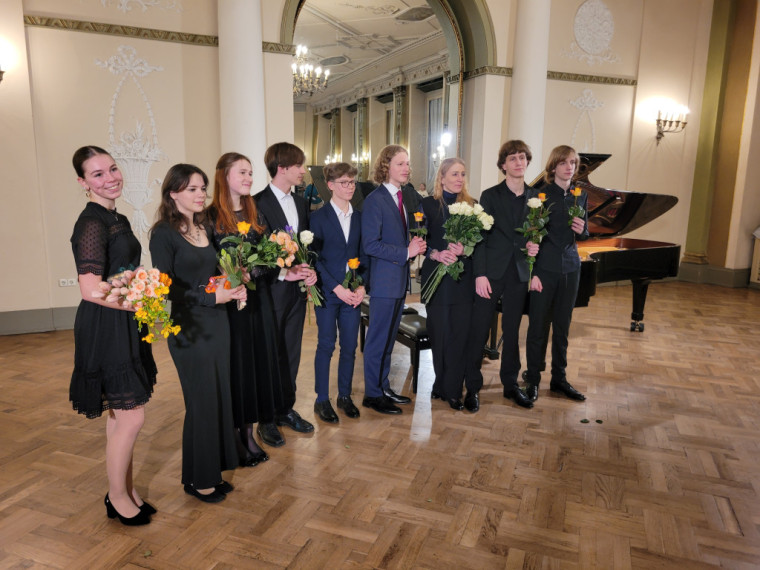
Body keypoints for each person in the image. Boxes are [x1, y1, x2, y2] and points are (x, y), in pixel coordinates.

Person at [69, 145, 157, 526]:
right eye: (98, 174)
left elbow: (118, 273)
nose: (110, 178)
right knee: (131, 418)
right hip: (106, 325)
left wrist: (142, 292)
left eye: (113, 169)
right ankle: (116, 496)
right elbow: (90, 289)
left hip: (122, 320)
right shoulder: (90, 222)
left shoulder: (112, 216)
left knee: (120, 416)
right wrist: (141, 303)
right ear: (83, 182)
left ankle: (127, 488)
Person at [149, 163, 245, 503]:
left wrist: (233, 286)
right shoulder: (163, 233)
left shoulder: (203, 225)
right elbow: (165, 289)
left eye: (202, 187)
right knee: (202, 402)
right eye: (192, 188)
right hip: (189, 326)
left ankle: (209, 471)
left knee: (219, 398)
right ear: (173, 193)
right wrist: (209, 296)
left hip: (217, 322)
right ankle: (200, 479)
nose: (201, 193)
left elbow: (213, 270)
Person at [208, 152, 303, 452]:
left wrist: (253, 269)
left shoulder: (255, 212)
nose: (249, 178)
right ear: (224, 177)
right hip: (229, 307)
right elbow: (208, 263)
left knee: (260, 364)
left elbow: (267, 257)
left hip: (258, 300)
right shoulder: (210, 216)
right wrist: (231, 275)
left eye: (250, 173)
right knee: (237, 369)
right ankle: (235, 436)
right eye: (242, 173)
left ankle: (255, 428)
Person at [464, 140, 539, 412]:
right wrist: (480, 274)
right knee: (480, 329)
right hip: (491, 273)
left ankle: (510, 384)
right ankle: (472, 387)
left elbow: (535, 235)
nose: (519, 162)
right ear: (503, 165)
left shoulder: (535, 197)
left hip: (519, 273)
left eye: (522, 158)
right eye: (513, 158)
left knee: (511, 330)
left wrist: (534, 247)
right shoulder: (490, 195)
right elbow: (480, 239)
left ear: (527, 161)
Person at [254, 142, 317, 440]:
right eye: (299, 166)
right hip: (269, 293)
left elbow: (306, 247)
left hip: (296, 294)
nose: (303, 171)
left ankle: (285, 409)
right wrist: (284, 272)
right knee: (268, 354)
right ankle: (265, 417)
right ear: (282, 168)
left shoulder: (302, 203)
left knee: (291, 353)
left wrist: (308, 270)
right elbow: (253, 255)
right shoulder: (255, 204)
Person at [361, 145, 426, 414]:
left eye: (408, 163)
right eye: (401, 163)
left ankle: (383, 386)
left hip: (399, 281)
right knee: (377, 340)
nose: (407, 168)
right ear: (386, 167)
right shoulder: (375, 200)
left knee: (388, 339)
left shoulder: (402, 197)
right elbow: (370, 245)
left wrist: (411, 244)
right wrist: (406, 251)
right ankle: (372, 394)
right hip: (384, 282)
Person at [523, 145, 589, 401]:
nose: (569, 167)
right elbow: (530, 235)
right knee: (538, 326)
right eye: (563, 163)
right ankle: (533, 378)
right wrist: (534, 272)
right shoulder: (539, 195)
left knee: (563, 327)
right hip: (545, 268)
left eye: (572, 162)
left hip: (571, 267)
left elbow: (584, 232)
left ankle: (559, 379)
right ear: (553, 167)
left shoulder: (579, 195)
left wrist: (583, 229)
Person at [310, 162, 368, 422]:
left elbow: (364, 255)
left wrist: (362, 285)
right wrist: (335, 286)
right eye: (344, 182)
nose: (350, 187)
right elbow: (315, 258)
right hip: (327, 291)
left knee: (349, 346)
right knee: (325, 345)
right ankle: (322, 399)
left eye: (352, 182)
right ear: (330, 185)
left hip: (353, 294)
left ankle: (344, 395)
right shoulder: (319, 217)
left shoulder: (359, 217)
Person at [420, 158, 471, 411]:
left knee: (458, 336)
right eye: (454, 174)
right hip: (436, 281)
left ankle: (453, 390)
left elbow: (481, 244)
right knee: (439, 334)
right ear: (441, 178)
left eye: (462, 174)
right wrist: (436, 254)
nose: (459, 178)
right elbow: (419, 240)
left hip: (462, 281)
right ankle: (440, 384)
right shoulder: (428, 205)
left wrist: (466, 249)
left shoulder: (472, 206)